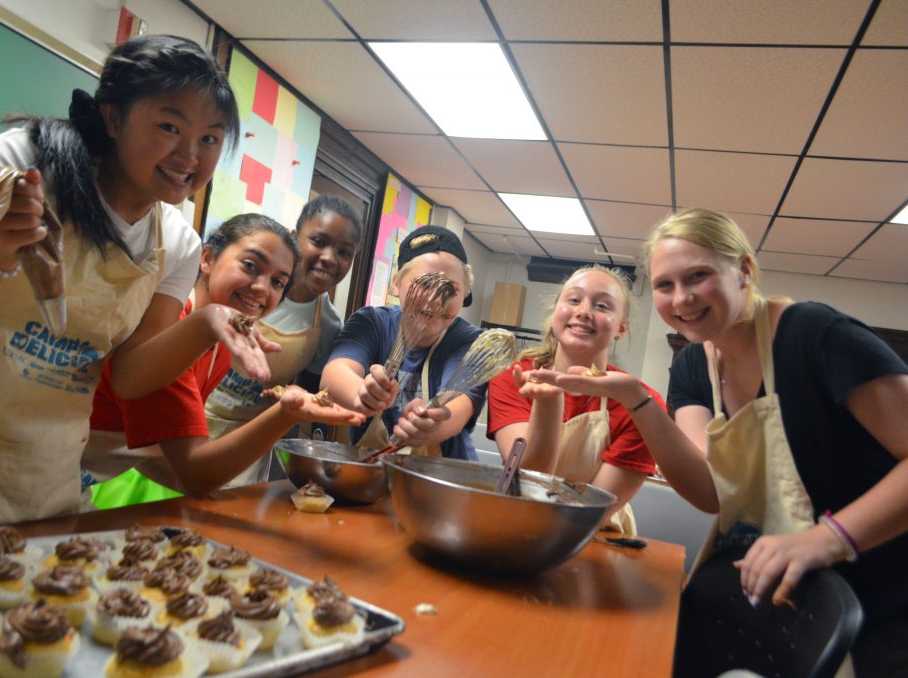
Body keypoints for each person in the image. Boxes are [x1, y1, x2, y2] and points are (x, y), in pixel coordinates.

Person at [0, 35, 276, 543]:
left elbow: (131, 377)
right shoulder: (15, 169)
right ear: (112, 118)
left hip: (43, 482)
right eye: (169, 127)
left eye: (210, 139)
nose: (189, 155)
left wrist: (205, 323)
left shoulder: (176, 242)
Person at [529, 208, 908, 675]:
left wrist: (829, 537)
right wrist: (634, 398)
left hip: (889, 596)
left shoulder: (813, 335)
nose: (681, 298)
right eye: (665, 285)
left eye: (698, 276)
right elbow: (709, 491)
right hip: (789, 593)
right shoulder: (692, 367)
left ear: (744, 271)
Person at [83, 214, 365, 505]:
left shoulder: (221, 346)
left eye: (278, 282)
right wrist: (286, 414)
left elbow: (168, 460)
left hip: (108, 476)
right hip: (85, 478)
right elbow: (195, 472)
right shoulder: (174, 332)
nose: (261, 289)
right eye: (250, 266)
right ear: (207, 258)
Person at [487, 265, 662, 533]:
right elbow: (528, 479)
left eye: (602, 306)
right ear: (556, 311)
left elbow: (592, 511)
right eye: (574, 300)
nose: (583, 312)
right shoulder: (514, 377)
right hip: (517, 522)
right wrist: (549, 404)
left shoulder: (639, 403)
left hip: (595, 536)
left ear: (621, 329)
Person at [203, 195, 363, 485]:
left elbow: (304, 398)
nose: (329, 258)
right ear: (294, 237)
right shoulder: (246, 289)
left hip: (246, 447)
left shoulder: (327, 325)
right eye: (318, 241)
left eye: (344, 252)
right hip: (188, 421)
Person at [321, 225, 484, 460]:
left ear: (464, 295)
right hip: (371, 477)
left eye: (451, 290)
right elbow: (335, 373)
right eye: (424, 284)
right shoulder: (372, 323)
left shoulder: (468, 342)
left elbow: (458, 403)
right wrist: (362, 393)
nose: (434, 299)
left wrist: (430, 423)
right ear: (396, 283)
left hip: (442, 484)